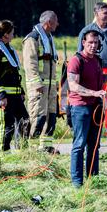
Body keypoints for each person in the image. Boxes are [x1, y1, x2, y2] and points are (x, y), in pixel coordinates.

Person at [78, 2, 107, 147]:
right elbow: (80, 54)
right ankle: (92, 136)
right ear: (96, 13)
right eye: (105, 13)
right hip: (92, 70)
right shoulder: (86, 31)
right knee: (92, 102)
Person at [67, 30, 107, 187]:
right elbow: (73, 85)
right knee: (79, 144)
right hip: (80, 108)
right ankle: (77, 182)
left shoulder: (97, 60)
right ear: (83, 42)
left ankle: (93, 178)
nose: (93, 45)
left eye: (96, 43)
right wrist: (94, 93)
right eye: (90, 42)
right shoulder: (76, 61)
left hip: (96, 107)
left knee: (94, 144)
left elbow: (97, 80)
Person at [0, 19, 29, 152]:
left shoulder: (9, 49)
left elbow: (13, 73)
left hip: (15, 95)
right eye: (12, 33)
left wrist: (20, 90)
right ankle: (2, 154)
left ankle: (22, 150)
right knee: (6, 125)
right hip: (4, 96)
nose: (13, 35)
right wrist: (1, 96)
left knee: (25, 121)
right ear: (5, 34)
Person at [22, 10, 60, 154]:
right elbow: (30, 63)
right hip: (39, 87)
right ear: (49, 23)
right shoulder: (33, 38)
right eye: (56, 21)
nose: (58, 23)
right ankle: (29, 149)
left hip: (50, 87)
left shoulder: (49, 37)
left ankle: (46, 147)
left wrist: (55, 85)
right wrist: (36, 84)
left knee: (51, 118)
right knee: (38, 117)